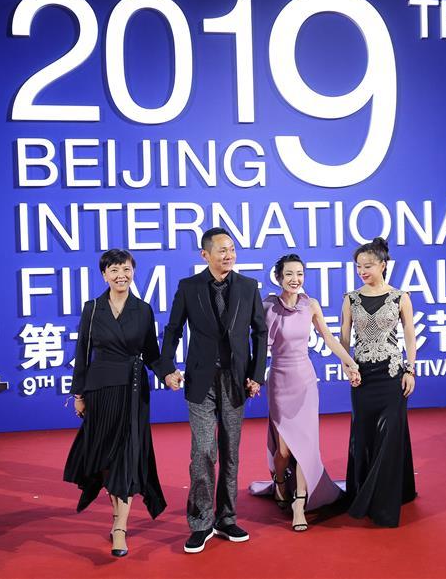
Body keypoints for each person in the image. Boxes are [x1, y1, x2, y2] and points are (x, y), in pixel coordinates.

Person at [157, 228, 268, 554]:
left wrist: (256, 375)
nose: (228, 255)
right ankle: (201, 522)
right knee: (203, 451)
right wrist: (166, 368)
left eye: (231, 249)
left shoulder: (248, 286)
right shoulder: (188, 287)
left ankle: (226, 518)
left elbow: (260, 332)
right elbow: (173, 330)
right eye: (221, 250)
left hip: (236, 380)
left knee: (230, 452)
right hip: (200, 381)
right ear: (205, 255)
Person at [63, 249, 166, 557]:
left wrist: (168, 373)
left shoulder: (143, 310)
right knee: (106, 460)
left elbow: (152, 353)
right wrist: (78, 394)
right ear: (104, 275)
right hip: (100, 391)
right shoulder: (92, 308)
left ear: (133, 272)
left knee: (127, 455)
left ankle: (120, 527)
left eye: (126, 269)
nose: (121, 275)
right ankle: (115, 517)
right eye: (114, 270)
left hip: (133, 392)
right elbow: (82, 353)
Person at [249, 254, 360, 531]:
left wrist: (349, 361)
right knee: (284, 449)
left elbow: (328, 337)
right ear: (278, 277)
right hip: (279, 380)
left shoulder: (310, 305)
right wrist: (252, 377)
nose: (295, 279)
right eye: (289, 274)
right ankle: (279, 482)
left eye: (299, 273)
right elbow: (258, 344)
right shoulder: (268, 305)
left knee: (305, 446)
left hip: (305, 381)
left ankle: (299, 503)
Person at [340, 237, 418, 527]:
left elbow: (409, 333)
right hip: (363, 377)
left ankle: (383, 501)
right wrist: (347, 366)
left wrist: (410, 369)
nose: (362, 271)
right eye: (358, 266)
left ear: (383, 265)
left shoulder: (400, 297)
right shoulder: (351, 298)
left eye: (368, 266)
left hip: (392, 374)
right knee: (363, 435)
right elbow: (344, 337)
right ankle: (362, 490)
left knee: (389, 436)